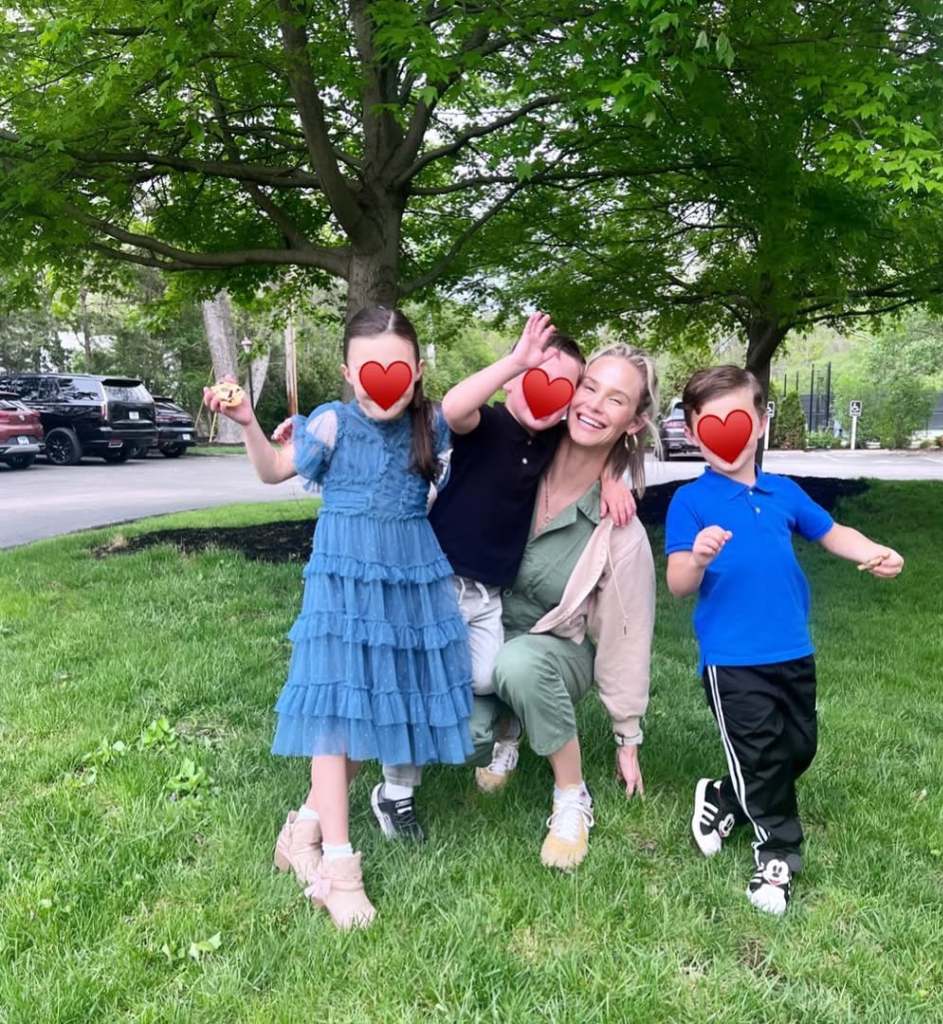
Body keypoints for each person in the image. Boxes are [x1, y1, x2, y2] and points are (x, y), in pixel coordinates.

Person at [203, 306, 473, 930]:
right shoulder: (329, 424)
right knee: (338, 717)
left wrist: (516, 363)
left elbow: (465, 405)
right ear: (350, 374)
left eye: (397, 369)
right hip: (344, 583)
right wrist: (247, 422)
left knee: (378, 716)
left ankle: (301, 828)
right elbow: (273, 470)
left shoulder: (431, 424)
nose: (383, 381)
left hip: (407, 580)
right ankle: (338, 869)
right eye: (369, 370)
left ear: (416, 372)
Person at [665, 364, 905, 916]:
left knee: (797, 748)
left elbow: (832, 532)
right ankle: (777, 856)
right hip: (732, 660)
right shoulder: (691, 502)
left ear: (760, 423)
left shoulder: (783, 492)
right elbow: (678, 584)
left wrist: (872, 550)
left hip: (793, 650)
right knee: (759, 754)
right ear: (695, 431)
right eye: (709, 425)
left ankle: (722, 795)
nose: (724, 435)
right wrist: (698, 556)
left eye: (737, 420)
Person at [468, 343, 659, 870]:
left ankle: (571, 796)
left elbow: (628, 633)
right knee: (463, 736)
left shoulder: (619, 526)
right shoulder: (521, 463)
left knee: (519, 665)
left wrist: (627, 734)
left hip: (557, 650)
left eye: (616, 400)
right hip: (486, 630)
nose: (595, 405)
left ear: (634, 422)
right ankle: (504, 728)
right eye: (589, 387)